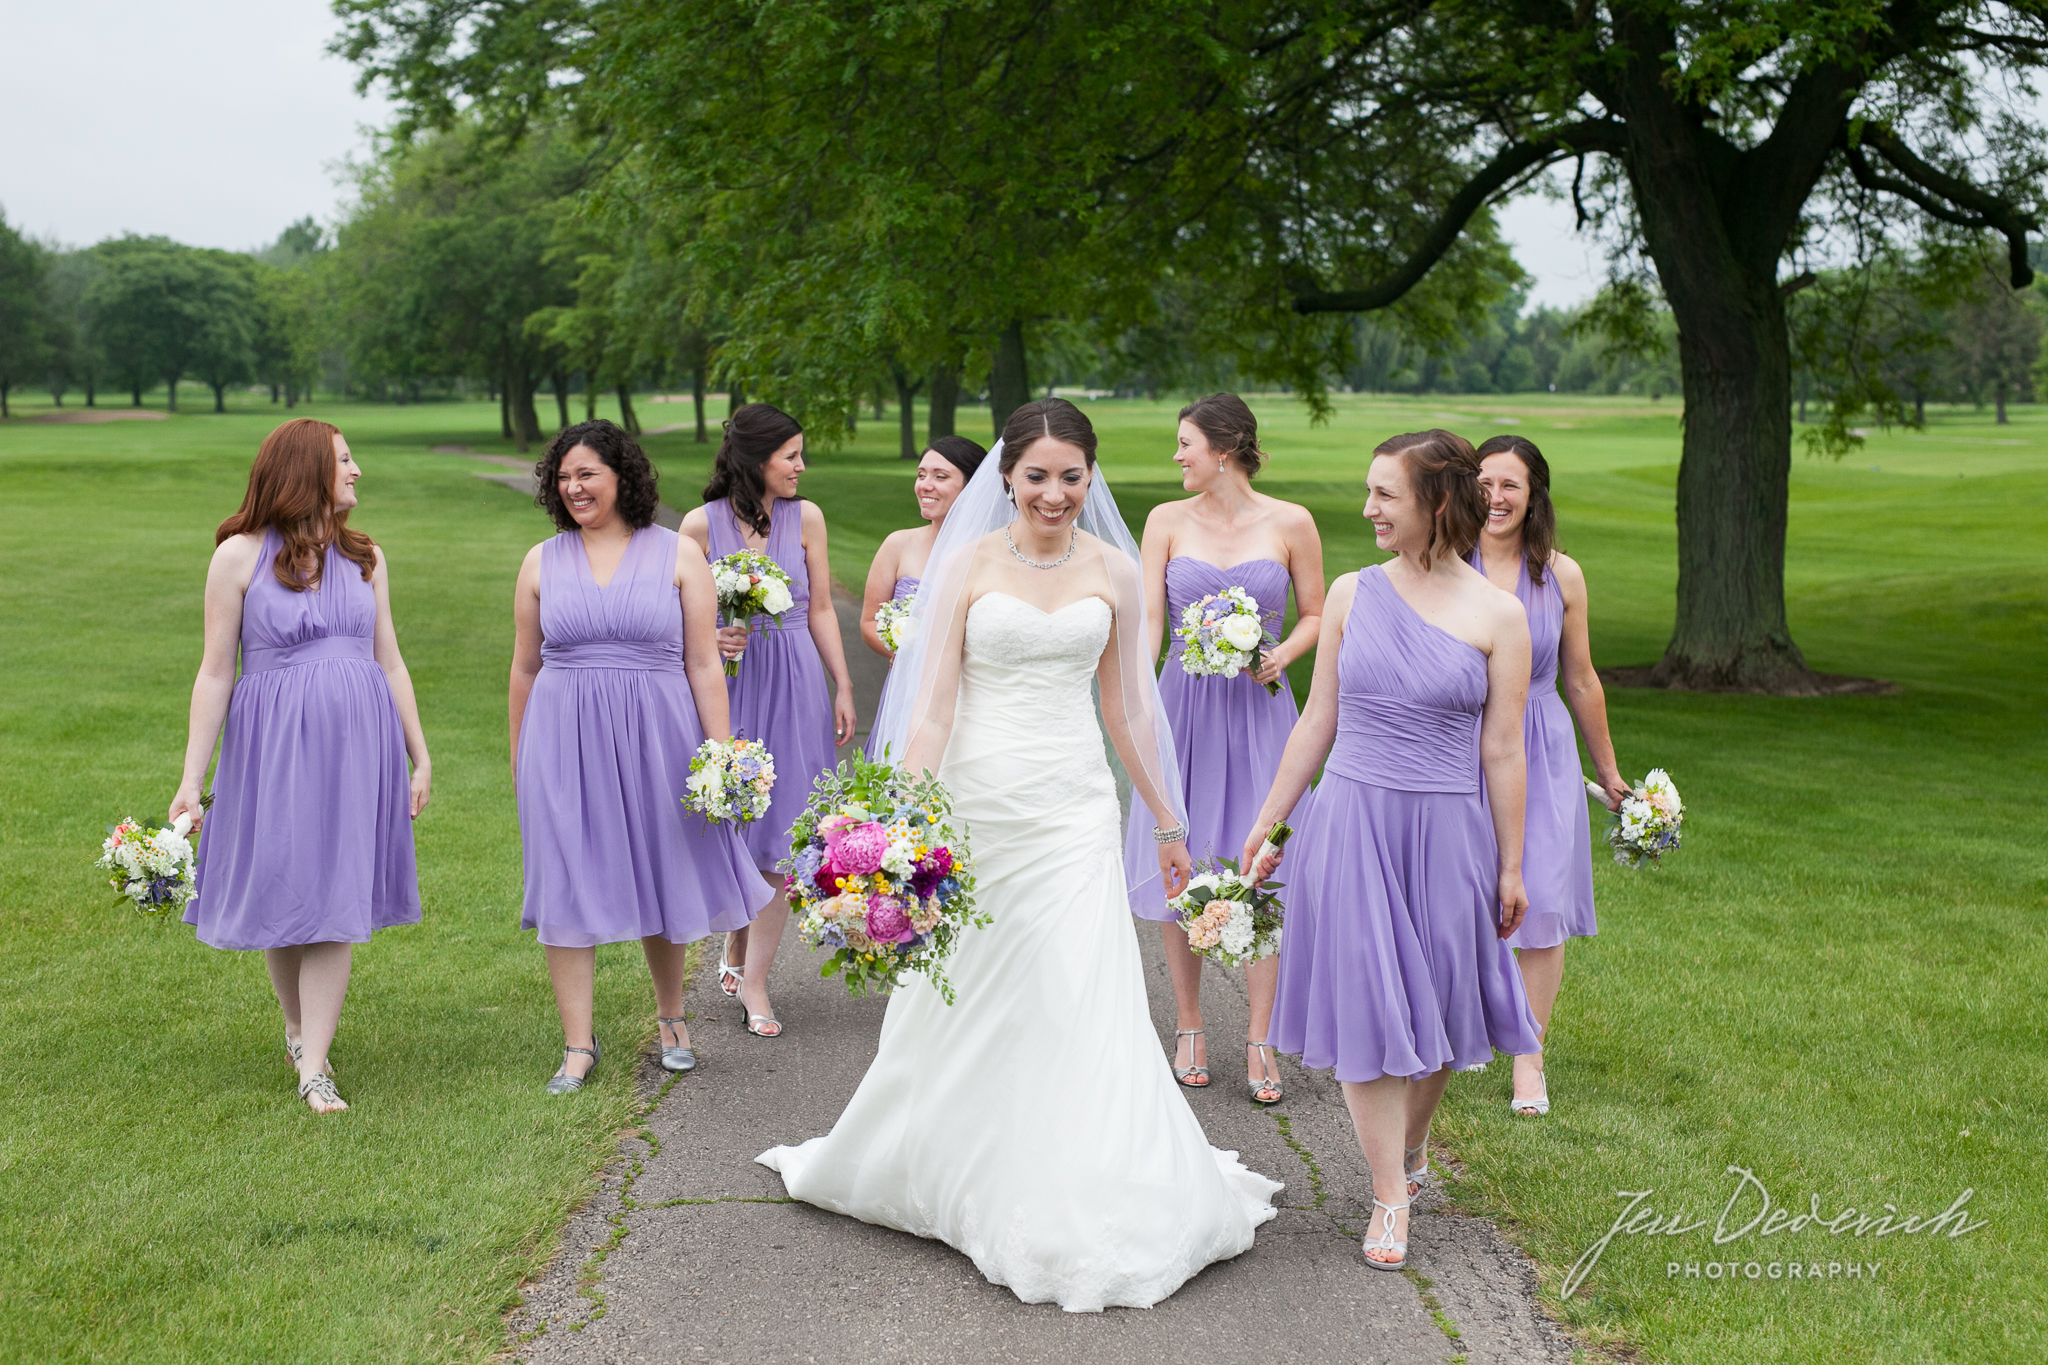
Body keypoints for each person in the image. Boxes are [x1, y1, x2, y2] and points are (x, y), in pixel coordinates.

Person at [758, 399, 1282, 1312]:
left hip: (1073, 805)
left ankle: (1082, 1174)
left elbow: (1126, 708)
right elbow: (931, 706)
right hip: (976, 801)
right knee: (974, 982)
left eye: (1071, 476)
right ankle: (955, 1159)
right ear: (1007, 475)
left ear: (1091, 477)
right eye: (1036, 475)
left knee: (1078, 985)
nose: (1053, 493)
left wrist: (1167, 822)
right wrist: (893, 822)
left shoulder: (1116, 570)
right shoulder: (967, 563)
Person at [1243, 429, 1541, 1271]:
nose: (1367, 508)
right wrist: (1270, 818)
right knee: (1374, 1006)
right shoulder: (1349, 593)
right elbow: (1318, 718)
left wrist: (1512, 862)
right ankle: (1386, 1195)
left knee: (1443, 1015)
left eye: (1385, 494)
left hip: (1449, 830)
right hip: (1355, 824)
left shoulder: (1499, 615)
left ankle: (1411, 1153)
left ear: (1436, 503)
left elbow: (1505, 750)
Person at [171, 418, 430, 1115]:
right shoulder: (237, 558)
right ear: (306, 470)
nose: (358, 470)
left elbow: (391, 660)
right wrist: (192, 779)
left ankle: (315, 1065)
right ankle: (296, 1027)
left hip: (357, 747)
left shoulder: (367, 557)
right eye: (346, 459)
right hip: (272, 745)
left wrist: (419, 752)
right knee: (286, 888)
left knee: (335, 896)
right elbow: (215, 673)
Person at [510, 420, 774, 1094]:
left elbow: (704, 665)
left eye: (586, 474)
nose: (573, 487)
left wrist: (719, 754)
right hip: (562, 739)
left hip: (660, 735)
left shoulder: (678, 555)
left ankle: (672, 1018)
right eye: (564, 477)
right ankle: (577, 1043)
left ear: (622, 475)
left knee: (665, 873)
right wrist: (521, 758)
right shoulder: (541, 561)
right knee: (569, 878)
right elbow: (524, 669)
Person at [1124, 394, 1324, 1105]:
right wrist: (1136, 695)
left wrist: (1281, 656)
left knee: (1259, 861)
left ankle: (1261, 1035)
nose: (1177, 456)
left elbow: (1316, 614)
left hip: (1263, 710)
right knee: (1187, 856)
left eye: (1185, 444)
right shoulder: (1164, 522)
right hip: (1184, 709)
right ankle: (1188, 1024)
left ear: (1226, 447)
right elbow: (1151, 621)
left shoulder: (1291, 521)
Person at [679, 403, 856, 1039]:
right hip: (732, 687)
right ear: (757, 461)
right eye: (792, 456)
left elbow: (822, 611)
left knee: (784, 834)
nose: (802, 466)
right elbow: (679, 621)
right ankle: (736, 940)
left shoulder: (806, 517)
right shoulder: (699, 528)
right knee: (734, 822)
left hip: (797, 680)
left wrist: (842, 682)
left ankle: (755, 982)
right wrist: (714, 636)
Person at [1471, 434, 1627, 1118]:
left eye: (1510, 484)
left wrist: (1610, 772)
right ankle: (1456, 1030)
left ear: (1534, 495)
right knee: (1459, 892)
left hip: (1540, 743)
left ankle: (1529, 1056)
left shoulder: (1561, 575)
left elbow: (1582, 677)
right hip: (1460, 741)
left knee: (1538, 900)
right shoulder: (1444, 562)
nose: (1496, 497)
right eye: (1485, 482)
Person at [859, 435, 988, 760]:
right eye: (921, 475)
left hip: (976, 695)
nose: (925, 485)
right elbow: (869, 622)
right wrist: (903, 649)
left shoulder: (992, 555)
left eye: (940, 476)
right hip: (909, 693)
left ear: (973, 486)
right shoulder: (898, 545)